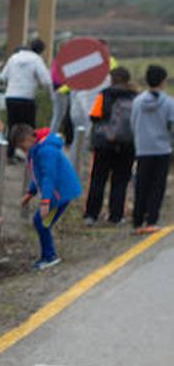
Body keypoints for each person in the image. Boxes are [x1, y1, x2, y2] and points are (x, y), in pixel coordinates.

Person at [11, 122, 80, 269]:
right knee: (42, 222)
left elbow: (49, 177)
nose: (23, 150)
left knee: (41, 222)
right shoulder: (37, 149)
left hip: (60, 193)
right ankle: (46, 255)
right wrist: (31, 193)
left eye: (22, 146)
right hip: (58, 192)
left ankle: (50, 256)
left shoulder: (45, 151)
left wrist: (45, 202)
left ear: (28, 139)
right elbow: (38, 175)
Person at [84, 66, 137, 225]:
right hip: (128, 144)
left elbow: (93, 116)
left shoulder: (104, 94)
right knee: (120, 180)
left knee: (98, 179)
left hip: (104, 142)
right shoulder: (135, 97)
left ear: (112, 79)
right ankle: (116, 216)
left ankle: (91, 215)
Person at [131, 64, 174, 233]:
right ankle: (152, 221)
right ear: (163, 81)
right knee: (157, 186)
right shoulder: (169, 103)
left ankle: (137, 222)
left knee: (141, 185)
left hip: (142, 148)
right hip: (162, 149)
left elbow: (133, 124)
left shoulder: (137, 101)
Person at [0, 39, 52, 157]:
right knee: (29, 128)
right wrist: (48, 93)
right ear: (41, 50)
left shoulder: (14, 58)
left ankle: (9, 154)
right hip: (27, 97)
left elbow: (2, 76)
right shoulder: (36, 59)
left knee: (12, 126)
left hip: (11, 96)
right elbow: (46, 80)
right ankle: (31, 155)